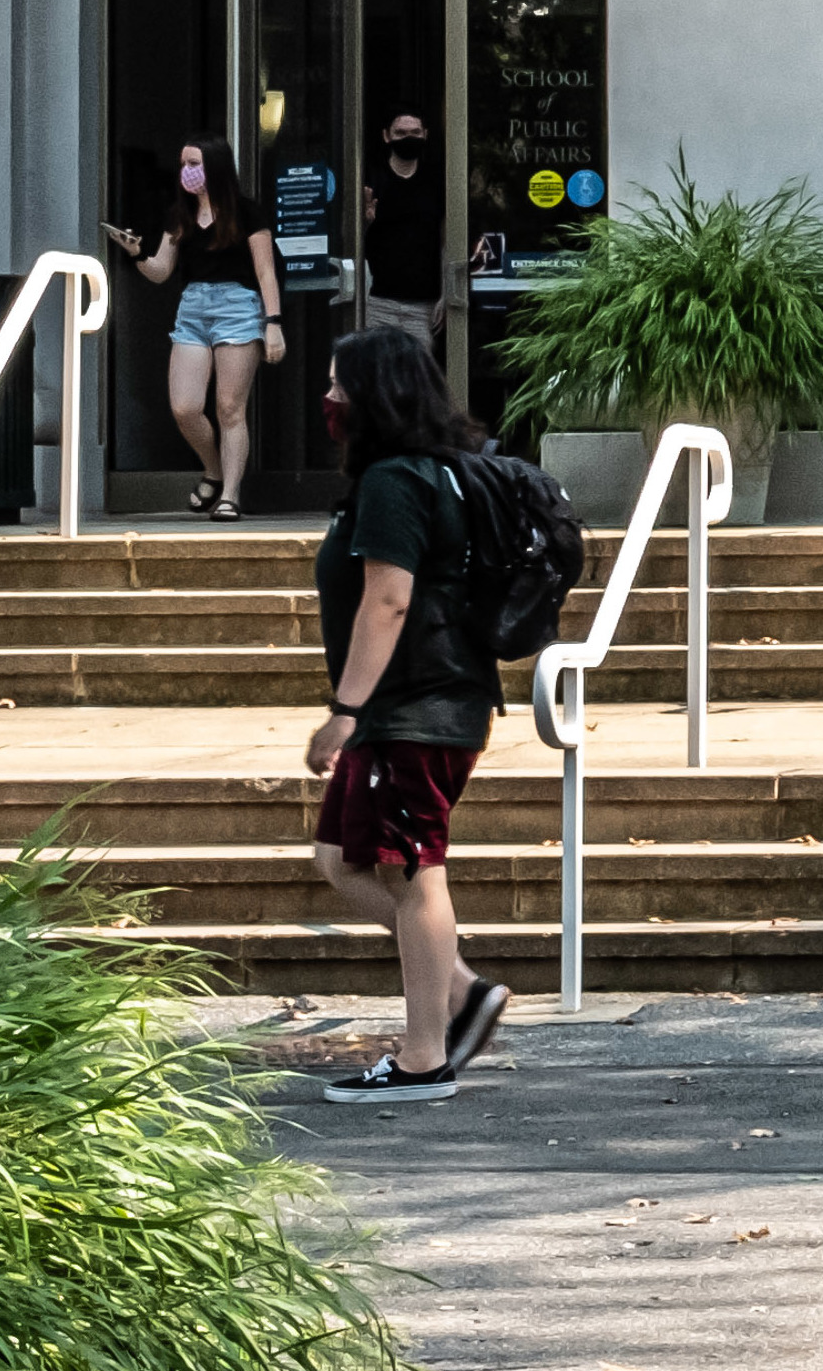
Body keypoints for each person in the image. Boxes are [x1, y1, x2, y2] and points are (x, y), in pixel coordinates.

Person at [303, 324, 509, 1103]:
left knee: (412, 869)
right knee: (338, 857)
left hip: (412, 710)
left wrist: (344, 709)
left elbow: (388, 600)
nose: (329, 401)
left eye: (338, 388)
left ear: (373, 398)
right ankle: (458, 987)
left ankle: (424, 1059)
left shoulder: (396, 480)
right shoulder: (433, 471)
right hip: (422, 706)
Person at [106, 130, 282, 518]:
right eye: (183, 164)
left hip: (239, 306)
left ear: (215, 166)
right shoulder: (180, 214)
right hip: (193, 309)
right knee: (185, 407)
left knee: (229, 407)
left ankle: (231, 494)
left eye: (194, 164)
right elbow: (161, 271)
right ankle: (214, 470)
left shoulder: (247, 212)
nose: (186, 171)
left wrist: (273, 323)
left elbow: (266, 272)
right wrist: (136, 254)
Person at [360, 106, 447, 357]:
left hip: (423, 306)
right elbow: (351, 242)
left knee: (416, 381)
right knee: (379, 381)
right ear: (387, 136)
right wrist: (365, 222)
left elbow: (445, 238)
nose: (408, 138)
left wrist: (446, 292)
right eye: (401, 132)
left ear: (426, 134)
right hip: (377, 302)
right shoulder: (370, 179)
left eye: (415, 132)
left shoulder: (436, 181)